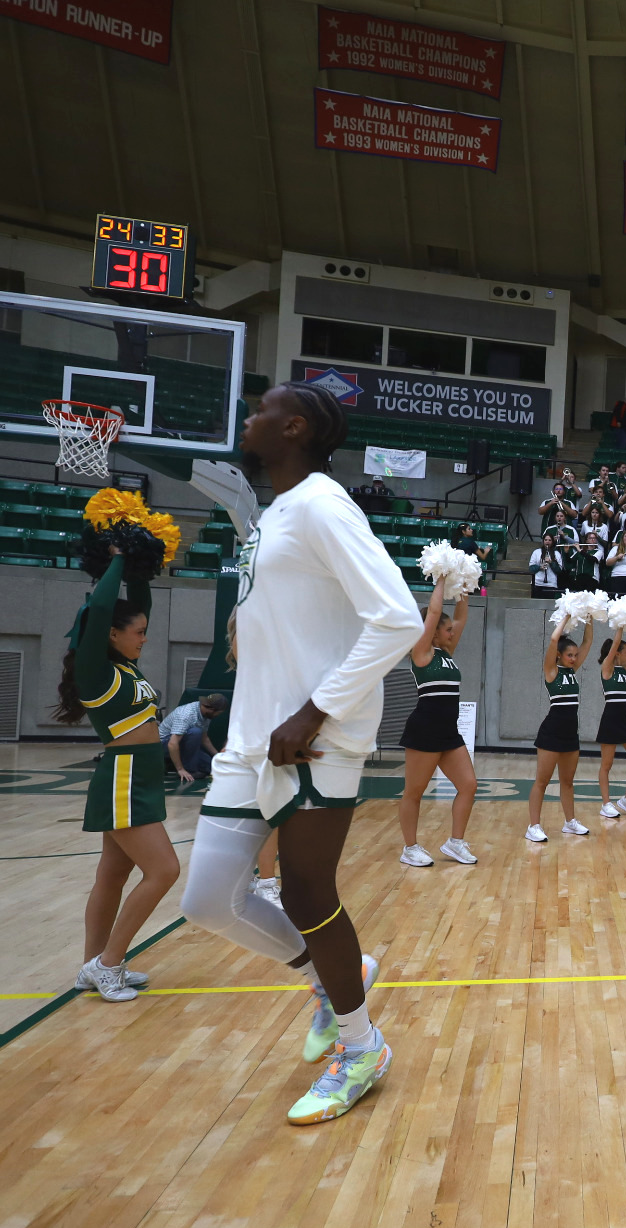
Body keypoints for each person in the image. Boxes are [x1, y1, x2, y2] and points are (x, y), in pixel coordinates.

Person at [176, 381, 424, 1125]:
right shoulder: (276, 513)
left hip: (314, 737)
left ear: (293, 428)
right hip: (253, 738)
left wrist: (316, 710)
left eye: (259, 411)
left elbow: (398, 619)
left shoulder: (322, 504)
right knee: (209, 900)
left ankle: (362, 1046)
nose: (246, 419)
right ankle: (332, 976)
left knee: (312, 893)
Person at [52, 551, 178, 1003]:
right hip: (123, 777)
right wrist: (122, 559)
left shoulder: (126, 667)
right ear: (111, 634)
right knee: (165, 870)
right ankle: (109, 964)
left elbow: (134, 604)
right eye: (138, 632)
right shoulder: (96, 669)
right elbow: (101, 607)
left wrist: (142, 573)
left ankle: (92, 965)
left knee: (111, 876)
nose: (144, 638)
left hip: (138, 777)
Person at [396, 581, 477, 868]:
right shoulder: (422, 653)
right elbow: (433, 611)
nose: (452, 631)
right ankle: (410, 847)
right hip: (424, 730)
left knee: (468, 785)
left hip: (448, 733)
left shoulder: (446, 653)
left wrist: (466, 587)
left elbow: (462, 616)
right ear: (432, 632)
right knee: (414, 792)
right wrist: (441, 580)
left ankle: (455, 842)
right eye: (446, 629)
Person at [527, 618, 593, 840]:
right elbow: (554, 638)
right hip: (551, 733)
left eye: (575, 655)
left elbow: (588, 641)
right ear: (559, 655)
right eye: (569, 655)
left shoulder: (572, 673)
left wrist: (589, 616)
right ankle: (533, 826)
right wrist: (566, 616)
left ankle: (570, 822)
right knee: (542, 781)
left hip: (570, 734)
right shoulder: (551, 672)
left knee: (567, 781)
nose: (574, 659)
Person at [594, 627, 626, 820]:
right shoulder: (607, 668)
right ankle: (606, 804)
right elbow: (616, 643)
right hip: (610, 720)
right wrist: (620, 626)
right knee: (606, 764)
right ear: (616, 653)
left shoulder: (625, 670)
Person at [160, 694, 226, 783]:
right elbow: (172, 744)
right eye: (219, 712)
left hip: (184, 744)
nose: (218, 715)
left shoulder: (206, 715)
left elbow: (204, 739)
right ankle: (189, 770)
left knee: (209, 766)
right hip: (164, 744)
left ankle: (187, 765)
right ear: (211, 709)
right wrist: (180, 769)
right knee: (195, 732)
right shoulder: (186, 715)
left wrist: (218, 756)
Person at [528, 532, 562, 599]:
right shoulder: (536, 552)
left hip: (551, 584)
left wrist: (551, 562)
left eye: (549, 540)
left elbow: (559, 570)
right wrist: (540, 567)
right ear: (543, 541)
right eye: (546, 540)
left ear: (552, 542)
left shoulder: (557, 553)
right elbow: (531, 568)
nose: (547, 542)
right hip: (537, 583)